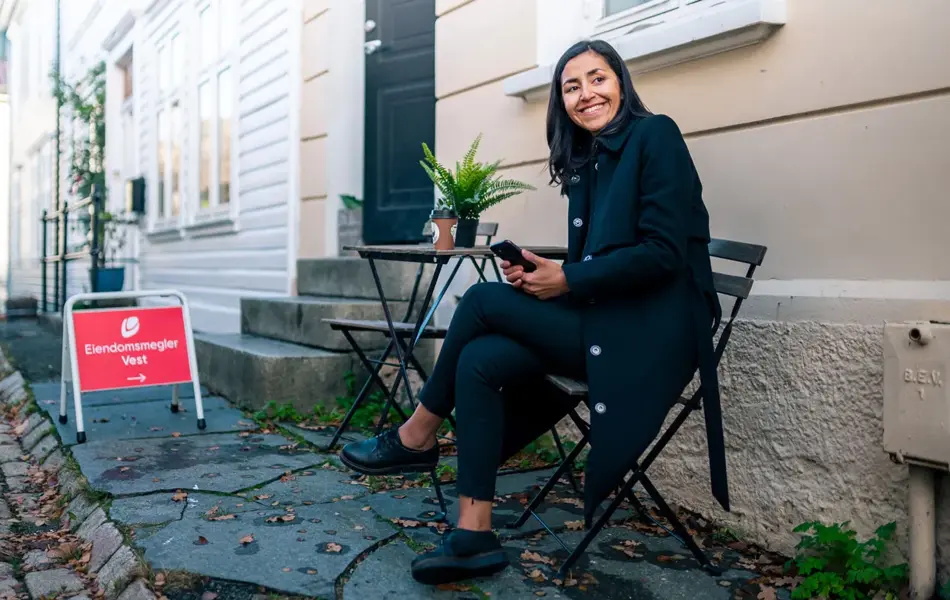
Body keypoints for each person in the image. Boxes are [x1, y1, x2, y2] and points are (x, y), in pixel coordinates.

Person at [339, 38, 727, 586]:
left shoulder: (654, 136)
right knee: (481, 358)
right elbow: (605, 261)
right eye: (572, 86)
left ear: (620, 82)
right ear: (561, 100)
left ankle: (416, 435)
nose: (586, 94)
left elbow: (662, 255)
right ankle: (473, 534)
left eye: (597, 79)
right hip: (608, 318)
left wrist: (566, 277)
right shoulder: (590, 162)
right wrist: (543, 273)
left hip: (650, 336)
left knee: (478, 301)